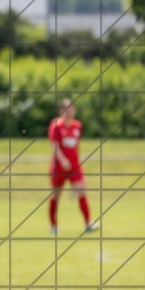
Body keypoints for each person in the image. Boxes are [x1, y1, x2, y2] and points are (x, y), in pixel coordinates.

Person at [48, 98, 98, 233]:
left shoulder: (77, 126)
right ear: (61, 111)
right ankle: (53, 225)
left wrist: (77, 161)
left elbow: (76, 146)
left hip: (74, 166)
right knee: (56, 195)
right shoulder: (56, 126)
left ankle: (88, 223)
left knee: (81, 190)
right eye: (66, 109)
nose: (69, 111)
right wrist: (63, 160)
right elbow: (54, 146)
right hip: (59, 167)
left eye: (71, 108)